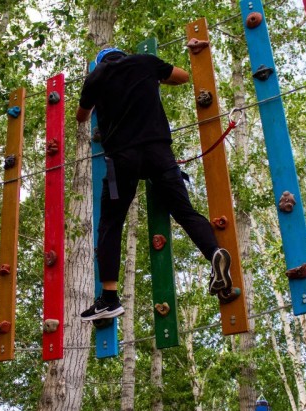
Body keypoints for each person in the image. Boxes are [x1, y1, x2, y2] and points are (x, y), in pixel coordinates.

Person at [76, 47, 235, 321]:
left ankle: (109, 298)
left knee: (111, 224)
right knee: (184, 211)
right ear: (123, 55)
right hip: (159, 154)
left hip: (121, 161)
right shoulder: (144, 62)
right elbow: (182, 76)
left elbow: (81, 116)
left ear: (101, 62)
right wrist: (155, 78)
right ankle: (214, 253)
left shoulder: (95, 77)